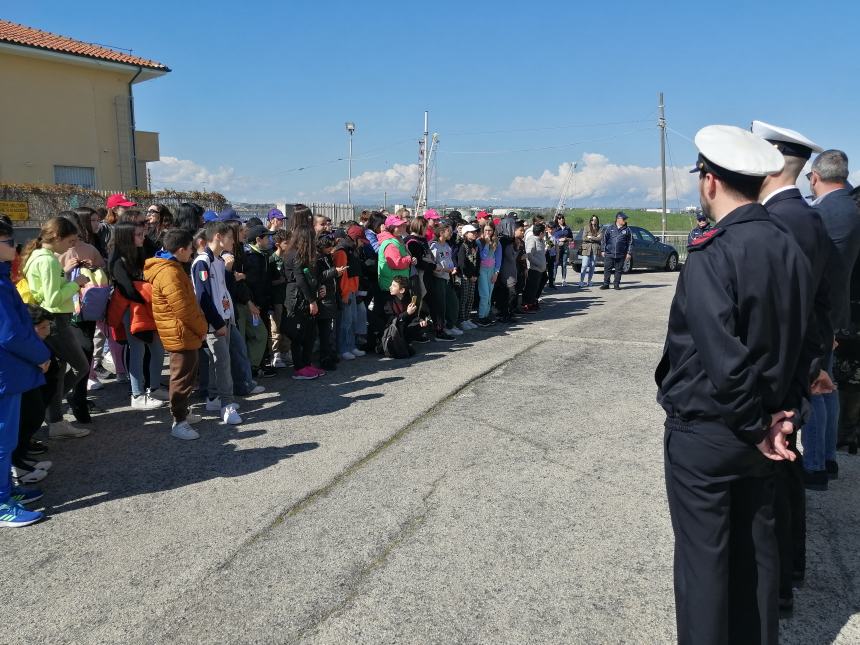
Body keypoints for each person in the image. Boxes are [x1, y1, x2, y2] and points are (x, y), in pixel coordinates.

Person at [656, 125, 813, 645]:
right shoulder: (788, 245)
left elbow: (723, 359)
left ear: (710, 182)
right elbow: (806, 343)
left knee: (704, 567)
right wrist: (788, 415)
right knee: (757, 560)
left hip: (715, 430)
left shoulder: (712, 252)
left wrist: (755, 425)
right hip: (766, 427)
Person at [752, 119, 832, 613]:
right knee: (787, 468)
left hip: (777, 374)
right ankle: (791, 571)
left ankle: (778, 584)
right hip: (798, 366)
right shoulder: (808, 218)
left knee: (774, 476)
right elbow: (823, 303)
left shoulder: (777, 222)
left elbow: (779, 313)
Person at [808, 148, 860, 483]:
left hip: (822, 313)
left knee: (815, 385)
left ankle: (814, 465)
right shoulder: (851, 208)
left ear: (815, 177)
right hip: (840, 311)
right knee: (829, 385)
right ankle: (826, 458)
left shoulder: (824, 212)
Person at [20, 216, 91, 439]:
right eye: (70, 241)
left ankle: (56, 420)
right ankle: (50, 405)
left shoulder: (39, 256)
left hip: (48, 320)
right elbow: (52, 299)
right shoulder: (48, 260)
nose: (72, 246)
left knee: (58, 372)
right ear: (56, 237)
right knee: (80, 366)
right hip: (55, 320)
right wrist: (75, 284)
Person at [0, 220, 52, 527]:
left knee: (6, 439)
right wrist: (41, 355)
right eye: (9, 241)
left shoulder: (4, 279)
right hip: (6, 372)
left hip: (11, 370)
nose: (16, 248)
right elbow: (10, 334)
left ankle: (6, 492)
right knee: (2, 440)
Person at [144, 229, 208, 440]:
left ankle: (183, 413)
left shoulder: (171, 267)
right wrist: (202, 328)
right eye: (190, 249)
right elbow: (184, 309)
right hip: (180, 332)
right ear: (180, 249)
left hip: (182, 331)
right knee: (181, 379)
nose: (192, 253)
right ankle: (178, 421)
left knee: (186, 376)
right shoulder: (170, 272)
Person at [108, 222, 167, 410]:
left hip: (145, 309)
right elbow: (127, 289)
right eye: (139, 235)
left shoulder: (141, 252)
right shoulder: (118, 260)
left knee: (157, 350)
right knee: (138, 352)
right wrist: (149, 293)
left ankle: (154, 387)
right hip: (132, 311)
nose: (143, 237)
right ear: (127, 237)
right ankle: (137, 394)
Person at [191, 221, 242, 425]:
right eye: (230, 237)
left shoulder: (220, 260)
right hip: (214, 322)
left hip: (225, 316)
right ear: (219, 237)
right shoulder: (202, 262)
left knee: (217, 361)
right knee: (222, 362)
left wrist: (229, 270)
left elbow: (224, 288)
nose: (233, 241)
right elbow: (203, 297)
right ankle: (226, 405)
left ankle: (214, 397)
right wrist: (217, 322)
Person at [282, 225, 323, 380]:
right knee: (298, 335)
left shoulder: (302, 253)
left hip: (305, 296)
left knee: (310, 333)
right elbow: (299, 278)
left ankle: (307, 363)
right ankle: (299, 367)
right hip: (297, 298)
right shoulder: (294, 253)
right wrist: (312, 300)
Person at [333, 227, 364, 361]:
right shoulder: (342, 251)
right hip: (345, 291)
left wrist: (355, 290)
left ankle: (351, 346)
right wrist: (344, 293)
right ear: (355, 239)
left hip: (352, 289)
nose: (363, 244)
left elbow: (354, 273)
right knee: (345, 322)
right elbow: (342, 275)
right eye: (361, 241)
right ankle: (343, 348)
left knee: (352, 319)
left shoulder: (352, 249)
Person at [314, 233, 344, 370]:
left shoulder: (326, 257)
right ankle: (324, 358)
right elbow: (318, 277)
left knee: (328, 329)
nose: (331, 249)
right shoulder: (317, 258)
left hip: (331, 294)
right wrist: (334, 271)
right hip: (323, 298)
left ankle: (329, 354)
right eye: (328, 246)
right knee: (325, 330)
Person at [429, 219, 462, 340]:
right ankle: (440, 329)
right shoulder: (434, 246)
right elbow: (433, 265)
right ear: (441, 232)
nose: (451, 233)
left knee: (453, 302)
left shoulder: (447, 246)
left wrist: (451, 269)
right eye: (449, 231)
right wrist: (444, 270)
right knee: (441, 305)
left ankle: (450, 325)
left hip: (447, 278)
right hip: (439, 279)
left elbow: (448, 261)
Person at [268, 230, 290, 368]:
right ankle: (275, 354)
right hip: (276, 299)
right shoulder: (272, 259)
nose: (289, 245)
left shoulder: (288, 258)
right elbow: (267, 281)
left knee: (287, 327)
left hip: (287, 298)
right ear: (278, 244)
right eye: (286, 243)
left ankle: (286, 352)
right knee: (275, 328)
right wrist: (279, 281)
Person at [475, 221, 501, 326]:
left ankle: (486, 315)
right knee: (484, 294)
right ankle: (481, 316)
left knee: (489, 294)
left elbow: (499, 258)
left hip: (492, 270)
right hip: (482, 269)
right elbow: (483, 256)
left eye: (490, 230)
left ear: (493, 231)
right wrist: (486, 243)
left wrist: (496, 273)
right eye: (485, 230)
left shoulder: (497, 242)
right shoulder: (479, 242)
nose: (488, 232)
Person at [600, 212, 633, 290]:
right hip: (609, 253)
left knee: (618, 270)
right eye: (623, 219)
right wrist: (603, 250)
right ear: (618, 219)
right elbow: (604, 240)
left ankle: (616, 284)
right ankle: (606, 284)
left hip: (621, 254)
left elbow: (631, 242)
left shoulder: (627, 230)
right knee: (607, 269)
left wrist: (629, 253)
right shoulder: (609, 228)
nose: (625, 220)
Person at [457, 224, 480, 330]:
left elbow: (478, 261)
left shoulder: (475, 246)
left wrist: (476, 274)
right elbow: (462, 264)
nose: (475, 234)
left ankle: (467, 318)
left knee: (471, 298)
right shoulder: (463, 246)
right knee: (464, 298)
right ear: (466, 234)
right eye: (472, 232)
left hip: (473, 276)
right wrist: (470, 275)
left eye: (475, 232)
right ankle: (462, 320)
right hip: (465, 276)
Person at [523, 222, 547, 311]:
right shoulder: (532, 240)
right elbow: (529, 255)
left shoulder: (542, 240)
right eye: (544, 232)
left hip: (542, 269)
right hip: (534, 269)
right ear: (541, 233)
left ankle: (534, 300)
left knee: (541, 282)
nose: (544, 234)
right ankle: (527, 304)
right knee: (532, 287)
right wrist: (538, 263)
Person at [579, 215, 602, 288]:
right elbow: (584, 238)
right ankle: (581, 281)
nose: (593, 221)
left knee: (592, 266)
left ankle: (589, 281)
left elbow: (600, 238)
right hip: (587, 249)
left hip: (595, 249)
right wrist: (595, 238)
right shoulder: (586, 227)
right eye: (592, 220)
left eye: (595, 220)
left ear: (597, 221)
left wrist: (591, 237)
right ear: (590, 220)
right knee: (584, 265)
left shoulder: (599, 228)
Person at [552, 214, 573, 287]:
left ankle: (563, 280)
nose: (561, 220)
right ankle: (553, 280)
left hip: (565, 247)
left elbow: (571, 238)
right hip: (557, 248)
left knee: (564, 264)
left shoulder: (567, 228)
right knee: (556, 264)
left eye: (562, 218)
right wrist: (558, 240)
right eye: (559, 218)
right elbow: (551, 237)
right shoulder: (555, 228)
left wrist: (566, 239)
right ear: (557, 220)